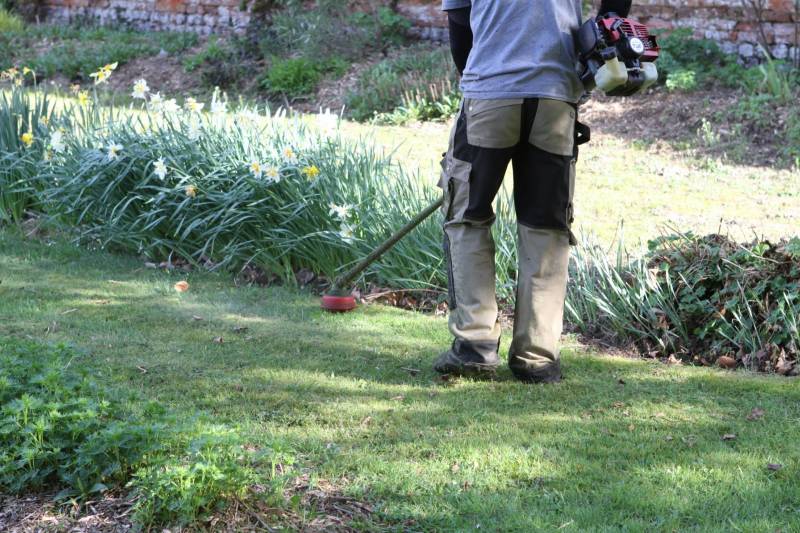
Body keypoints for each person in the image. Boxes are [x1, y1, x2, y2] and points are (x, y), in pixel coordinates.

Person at [434, 0, 632, 383]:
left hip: (490, 95)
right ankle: (537, 357)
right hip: (555, 99)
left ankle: (474, 346)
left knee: (466, 217)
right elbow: (615, 7)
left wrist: (479, 83)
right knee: (546, 227)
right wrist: (603, 30)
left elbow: (460, 28)